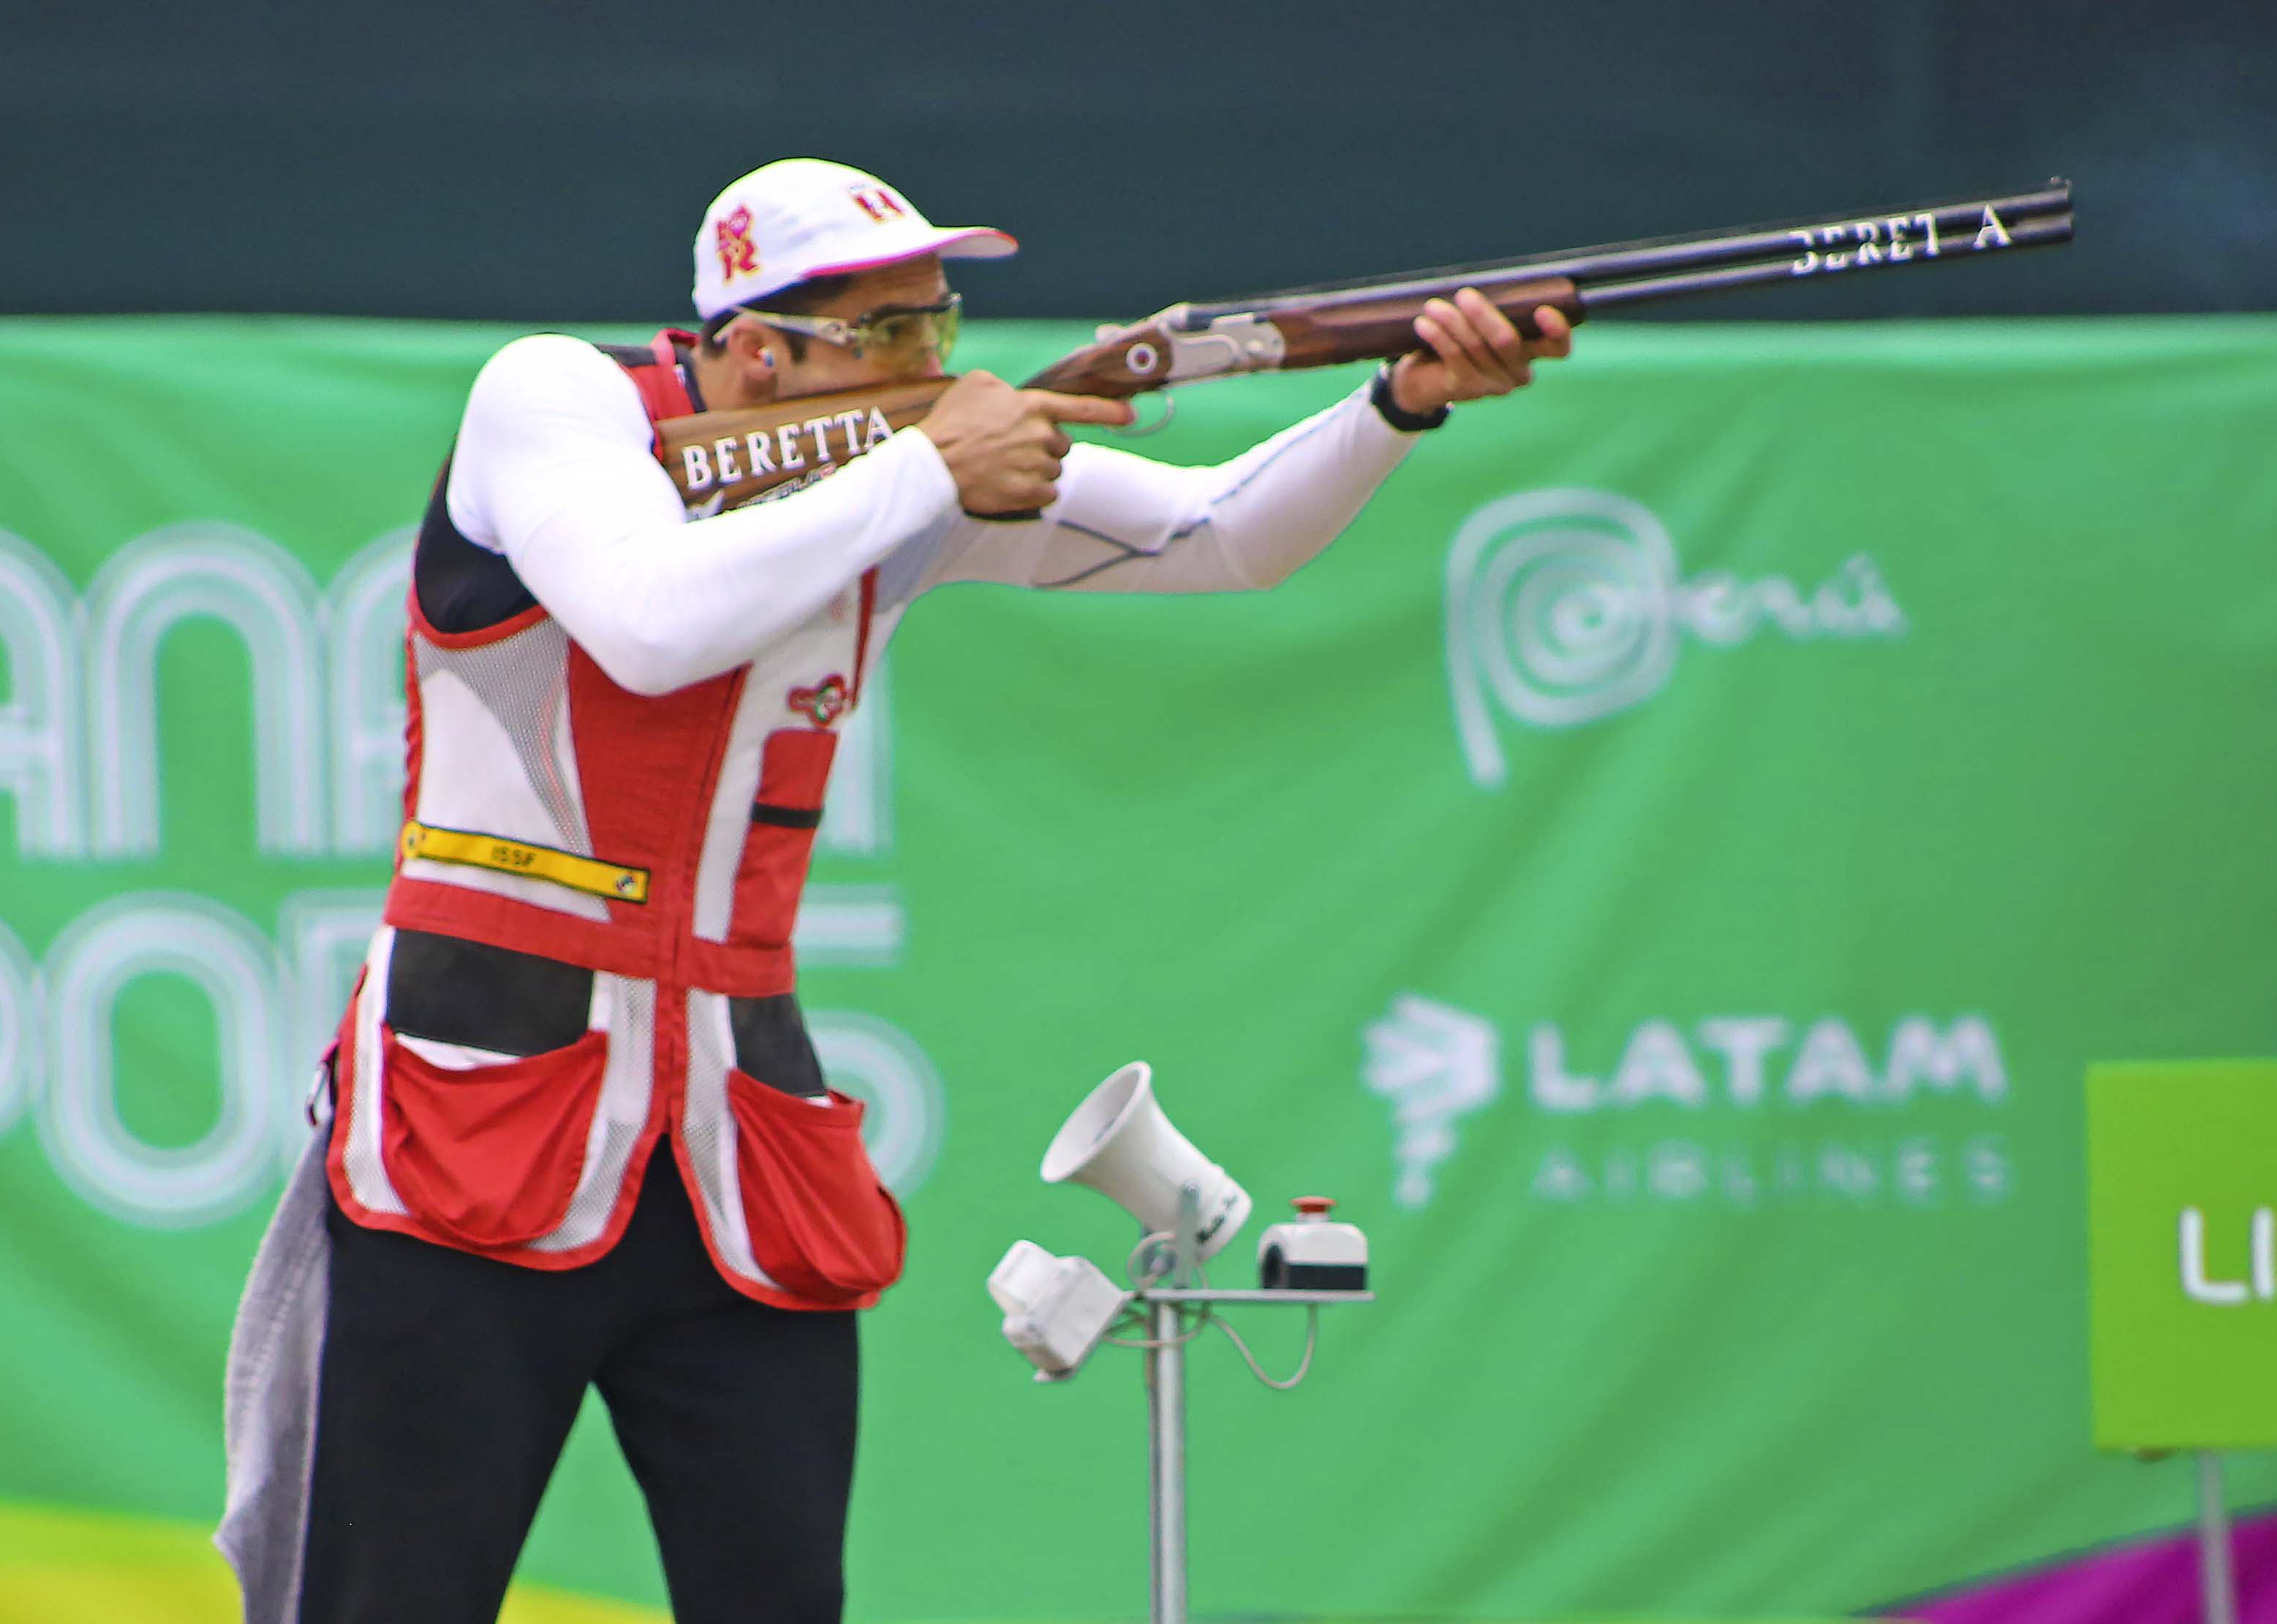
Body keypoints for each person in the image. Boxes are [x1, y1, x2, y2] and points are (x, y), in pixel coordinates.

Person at [214, 156, 1571, 1624]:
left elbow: (1221, 532)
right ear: (754, 350)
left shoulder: (890, 480)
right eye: (892, 336)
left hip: (743, 1148)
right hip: (480, 1118)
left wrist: (1396, 408)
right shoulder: (555, 399)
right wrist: (920, 469)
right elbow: (648, 623)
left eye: (941, 320)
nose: (940, 364)